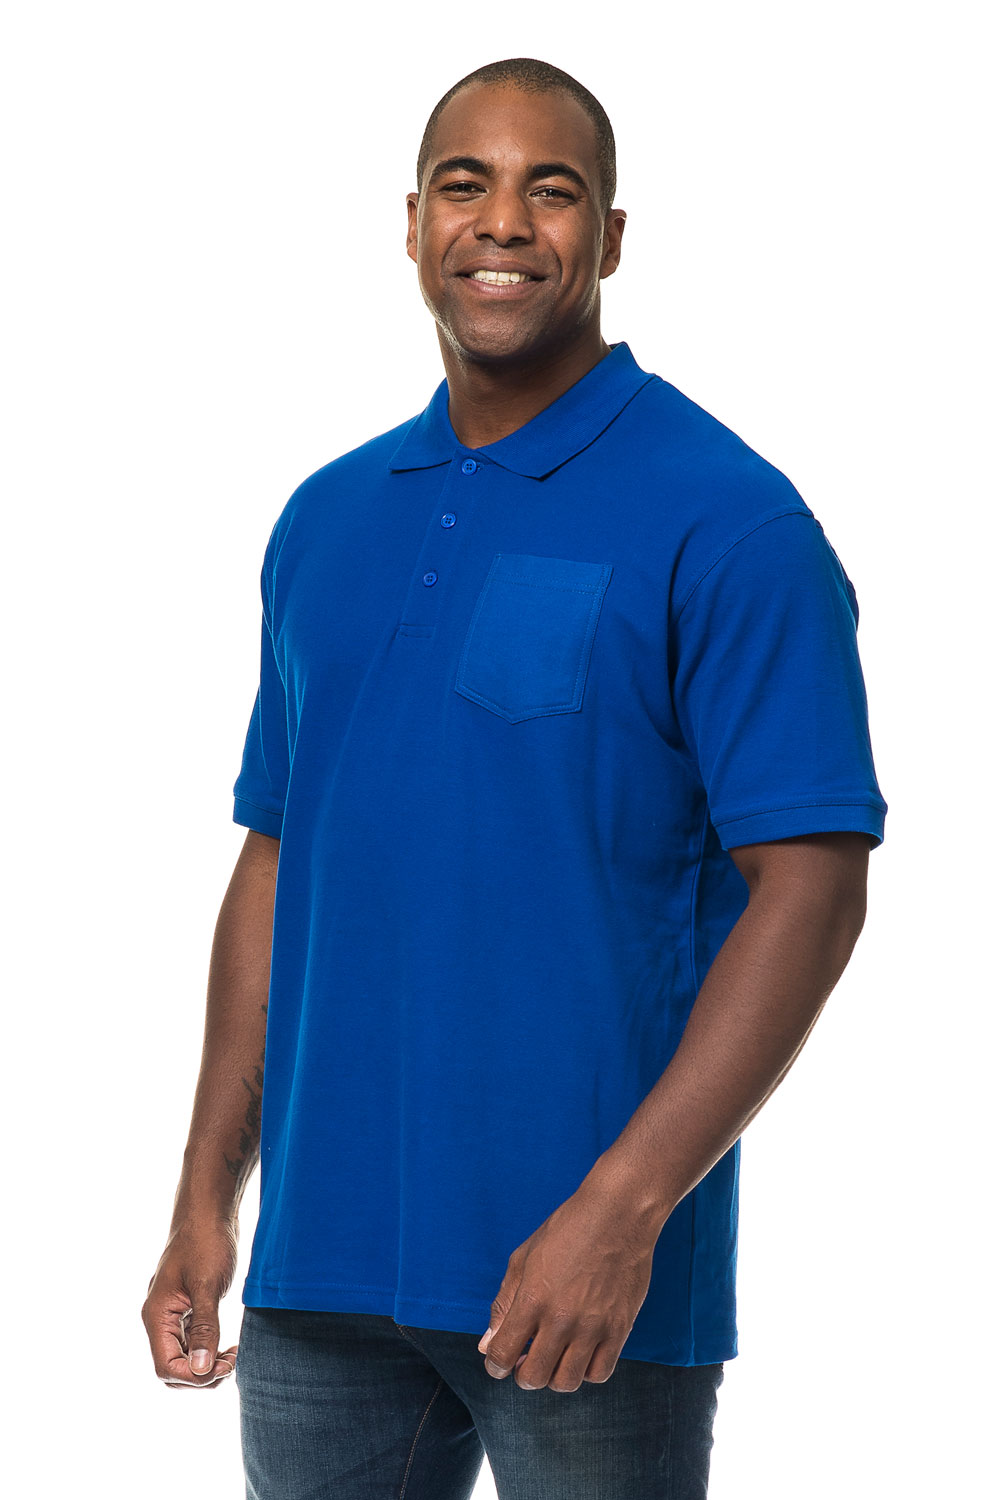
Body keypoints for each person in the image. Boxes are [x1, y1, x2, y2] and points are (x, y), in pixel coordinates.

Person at [142, 56, 888, 1500]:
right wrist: (204, 1196)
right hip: (320, 1267)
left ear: (610, 237)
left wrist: (624, 1207)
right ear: (412, 223)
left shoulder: (731, 521)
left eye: (552, 190)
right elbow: (279, 860)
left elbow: (812, 889)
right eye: (465, 186)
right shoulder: (325, 518)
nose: (502, 223)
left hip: (585, 1282)